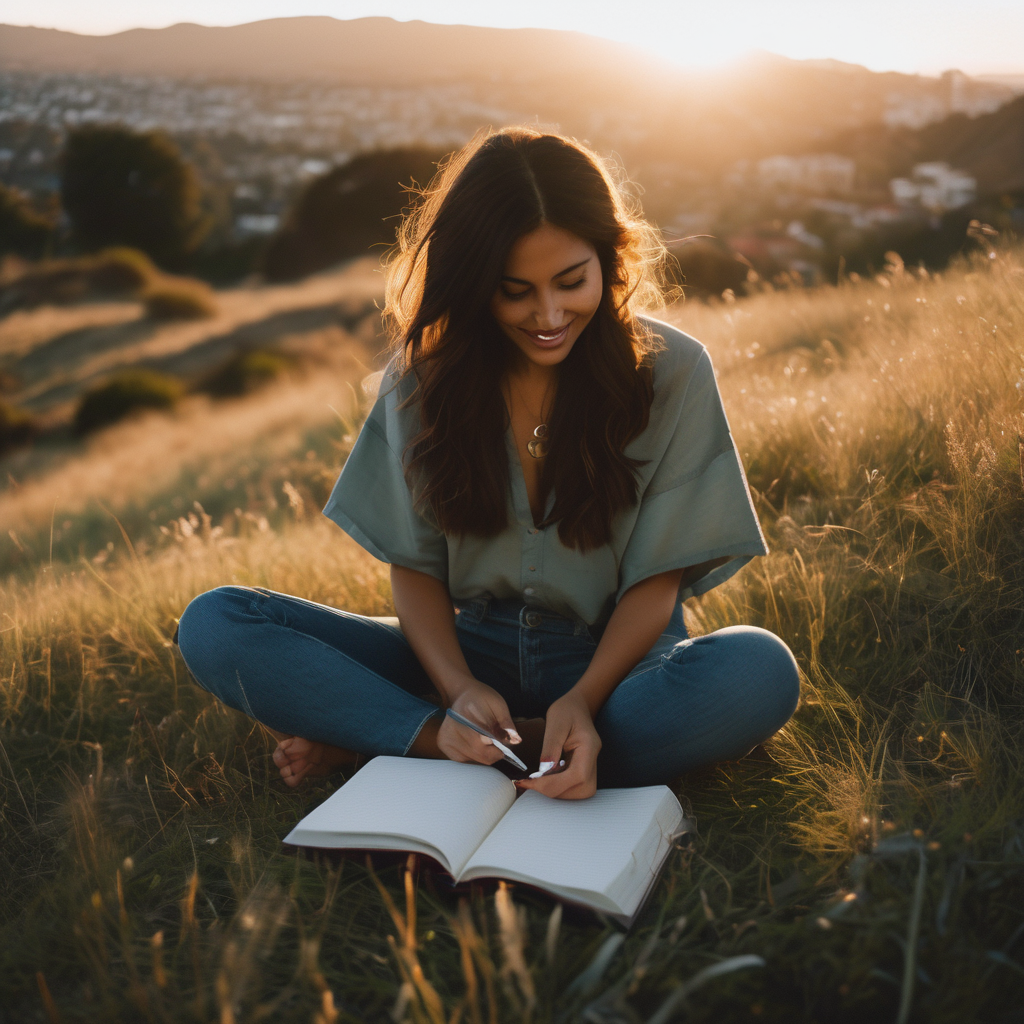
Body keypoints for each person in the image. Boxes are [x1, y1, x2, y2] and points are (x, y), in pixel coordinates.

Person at [176, 127, 800, 801]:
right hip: (463, 649)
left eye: (571, 282)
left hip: (616, 662)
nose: (549, 314)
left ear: (609, 260)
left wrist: (584, 701)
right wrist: (458, 689)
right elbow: (414, 571)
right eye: (516, 292)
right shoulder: (420, 382)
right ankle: (448, 736)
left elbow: (658, 582)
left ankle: (406, 737)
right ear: (474, 285)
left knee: (759, 670)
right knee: (217, 623)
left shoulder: (674, 371)